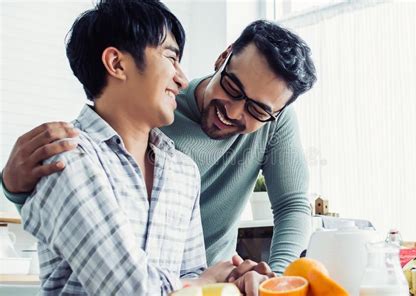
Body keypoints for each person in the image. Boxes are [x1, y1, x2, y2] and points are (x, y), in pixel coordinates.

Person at [1, 17, 317, 275]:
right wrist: (15, 189)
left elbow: (292, 205)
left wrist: (277, 280)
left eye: (257, 111)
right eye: (232, 87)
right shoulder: (152, 111)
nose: (233, 112)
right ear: (223, 57)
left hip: (205, 281)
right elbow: (76, 200)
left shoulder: (270, 125)